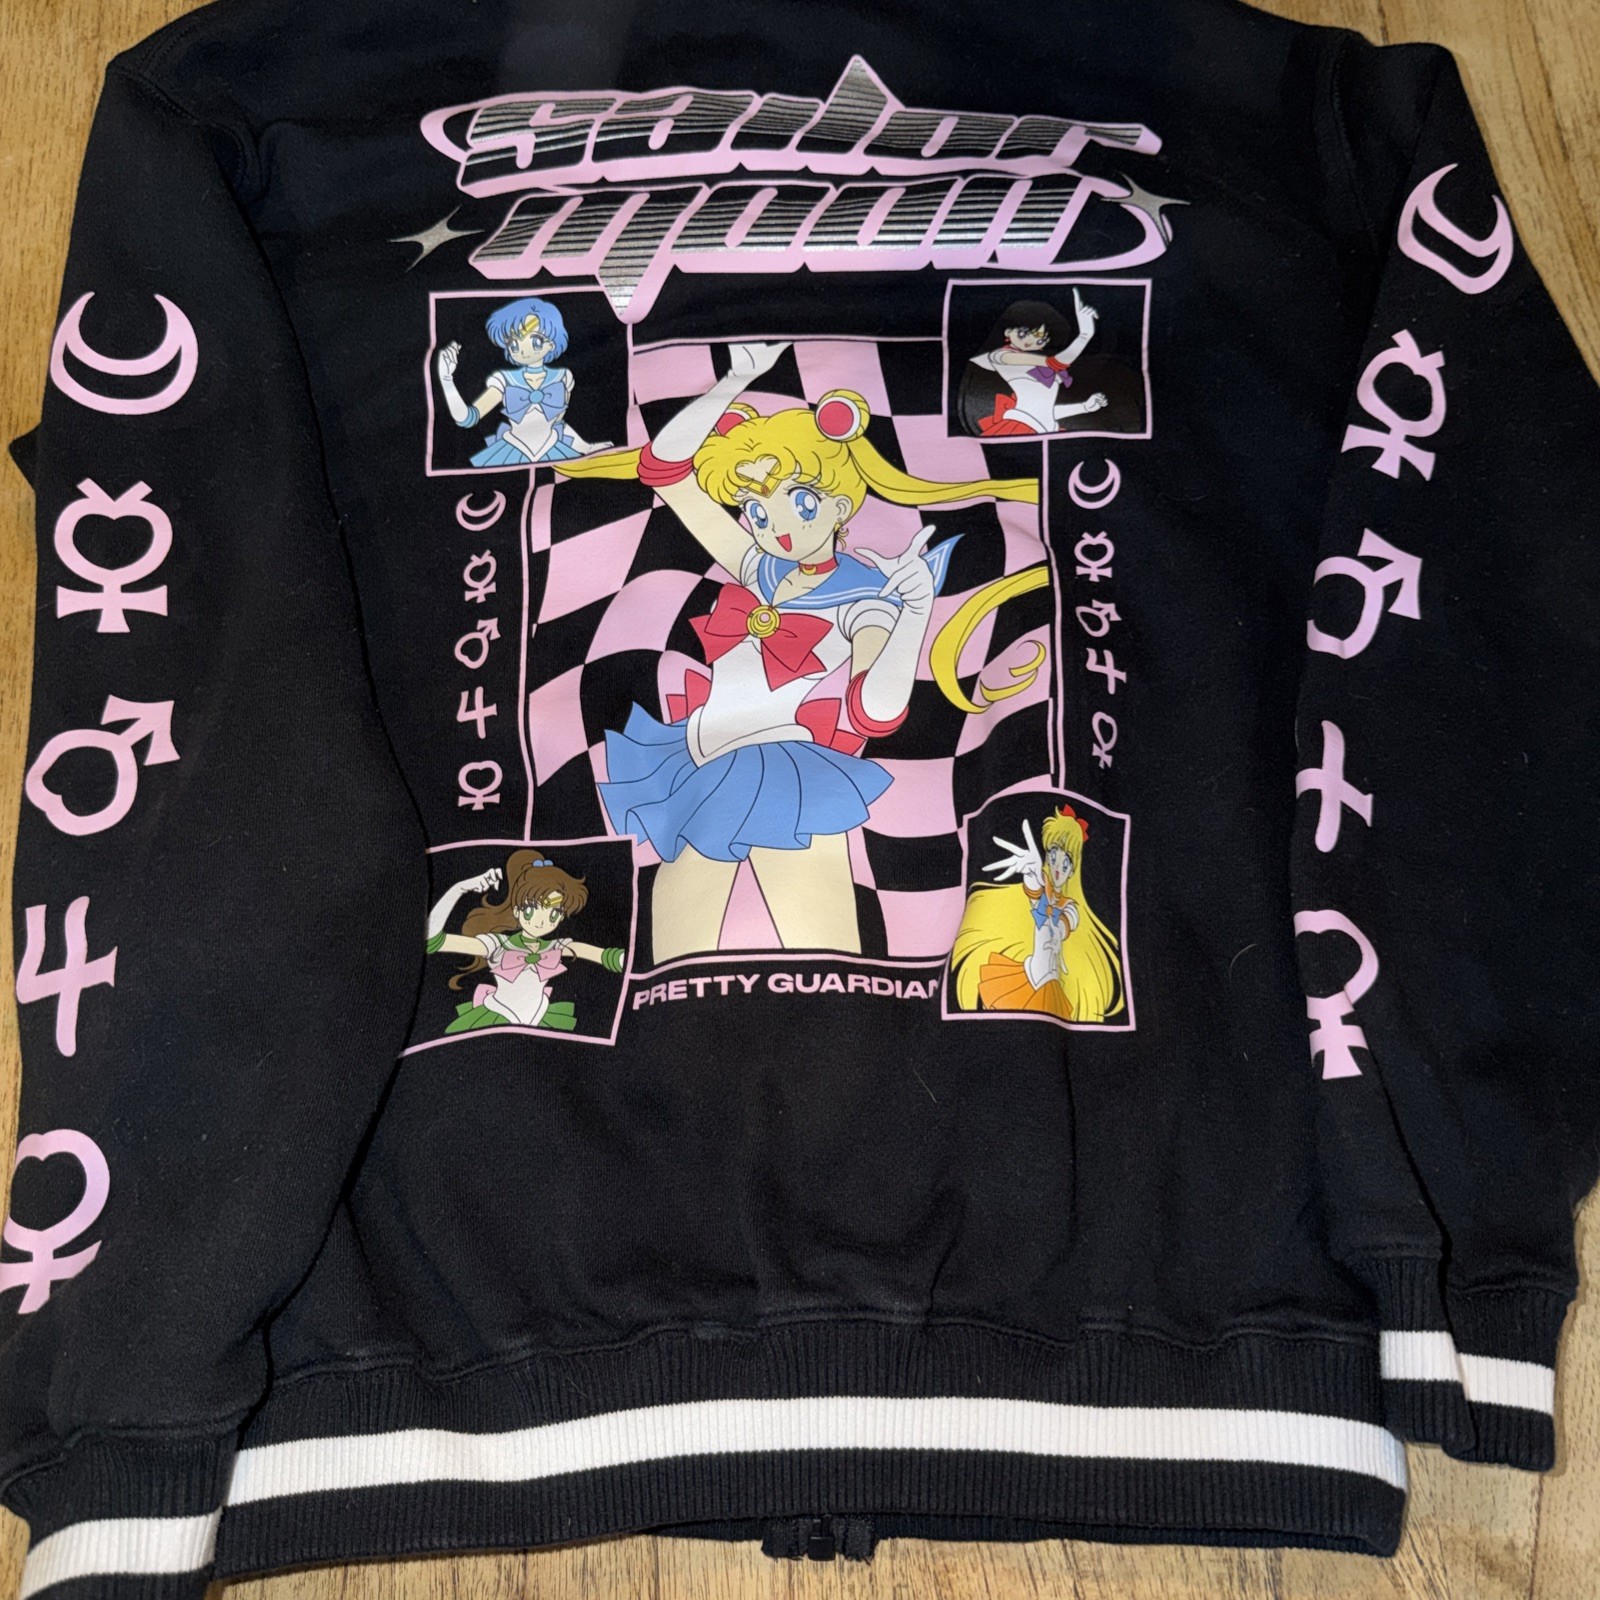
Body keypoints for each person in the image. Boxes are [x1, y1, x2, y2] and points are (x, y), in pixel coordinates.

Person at [555, 342, 1042, 962]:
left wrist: (914, 612)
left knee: (823, 943)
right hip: (697, 759)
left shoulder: (864, 597)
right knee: (674, 947)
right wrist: (733, 381)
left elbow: (875, 710)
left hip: (784, 769)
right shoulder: (759, 566)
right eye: (757, 511)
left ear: (841, 504)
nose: (777, 524)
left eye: (800, 501)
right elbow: (666, 470)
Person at [950, 805, 1123, 1022]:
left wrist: (1038, 892)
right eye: (1053, 856)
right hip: (1028, 976)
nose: (1057, 868)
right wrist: (1032, 881)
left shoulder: (1070, 908)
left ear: (1073, 869)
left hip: (1047, 984)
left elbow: (1055, 927)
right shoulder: (1043, 891)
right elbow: (1038, 910)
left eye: (1066, 863)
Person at [425, 851, 625, 1032]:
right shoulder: (497, 945)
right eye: (531, 910)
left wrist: (625, 959)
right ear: (516, 911)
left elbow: (604, 956)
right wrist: (459, 888)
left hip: (540, 1016)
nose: (541, 921)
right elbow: (432, 941)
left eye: (554, 914)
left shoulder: (557, 947)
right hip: (498, 1014)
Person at [435, 295, 608, 466]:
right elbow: (467, 418)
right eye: (514, 345)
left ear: (552, 343)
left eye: (535, 341)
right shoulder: (505, 381)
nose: (523, 351)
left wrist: (586, 447)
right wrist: (446, 379)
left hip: (554, 450)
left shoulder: (563, 377)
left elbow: (558, 425)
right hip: (511, 452)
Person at [960, 290, 1109, 436]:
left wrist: (1085, 407)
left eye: (1040, 340)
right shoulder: (1001, 356)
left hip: (1042, 429)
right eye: (1023, 334)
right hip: (1019, 428)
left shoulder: (1037, 362)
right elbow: (1054, 363)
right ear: (1007, 331)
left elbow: (1042, 411)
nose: (1031, 341)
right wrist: (1084, 336)